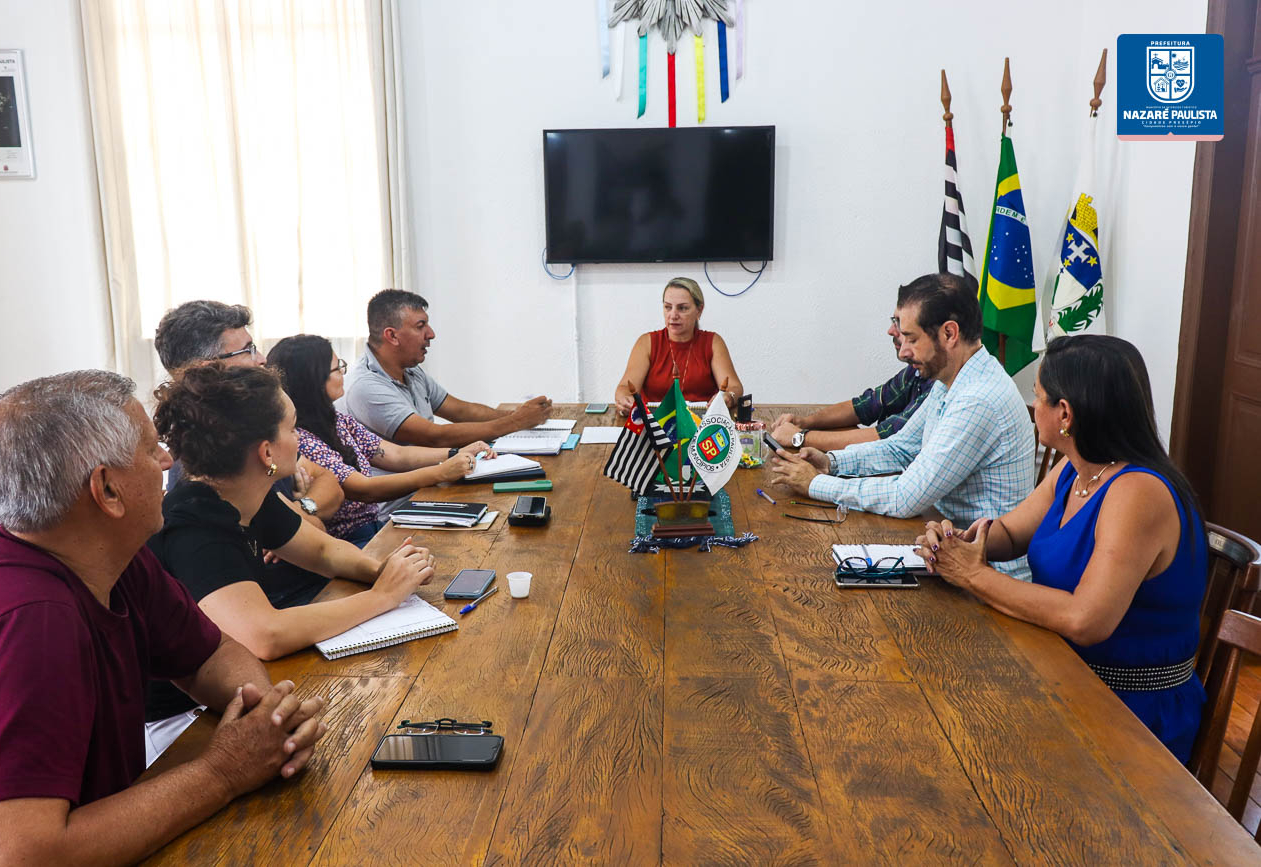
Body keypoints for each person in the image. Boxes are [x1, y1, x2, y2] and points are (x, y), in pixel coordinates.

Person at [0, 370, 327, 863]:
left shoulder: (114, 556)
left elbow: (210, 654)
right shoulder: (34, 619)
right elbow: (30, 853)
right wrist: (225, 771)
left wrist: (265, 719)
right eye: (152, 451)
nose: (168, 461)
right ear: (107, 491)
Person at [915, 335, 1207, 763]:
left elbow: (1085, 619)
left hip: (1129, 713)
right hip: (1062, 673)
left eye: (1037, 398)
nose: (1033, 408)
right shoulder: (1077, 471)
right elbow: (1012, 534)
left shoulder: (1138, 493)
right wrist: (957, 543)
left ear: (1065, 413)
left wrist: (974, 575)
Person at [145, 363, 436, 754]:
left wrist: (381, 570)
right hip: (180, 722)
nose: (299, 439)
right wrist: (381, 596)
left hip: (237, 691)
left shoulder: (244, 491)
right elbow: (264, 635)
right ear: (266, 452)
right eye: (292, 428)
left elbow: (321, 550)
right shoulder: (194, 524)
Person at [768, 272, 1034, 580]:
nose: (903, 351)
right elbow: (902, 448)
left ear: (949, 334)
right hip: (949, 549)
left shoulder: (978, 400)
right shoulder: (953, 380)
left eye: (911, 338)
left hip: (990, 578)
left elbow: (905, 497)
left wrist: (815, 484)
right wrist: (831, 462)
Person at [268, 335, 495, 546]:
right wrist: (441, 472)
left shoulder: (336, 419)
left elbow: (396, 454)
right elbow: (365, 489)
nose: (343, 374)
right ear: (314, 381)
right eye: (337, 369)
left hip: (374, 528)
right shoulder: (302, 439)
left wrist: (456, 453)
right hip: (349, 542)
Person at [154, 299, 343, 524]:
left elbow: (330, 485)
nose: (262, 359)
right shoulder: (203, 458)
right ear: (207, 370)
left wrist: (302, 507)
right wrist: (305, 516)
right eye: (249, 350)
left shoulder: (251, 422)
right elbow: (310, 535)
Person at [342, 289, 554, 448]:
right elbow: (434, 437)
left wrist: (521, 415)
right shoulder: (366, 386)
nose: (431, 333)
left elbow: (462, 411)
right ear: (392, 335)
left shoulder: (411, 370)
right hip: (399, 499)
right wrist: (516, 421)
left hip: (432, 478)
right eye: (420, 326)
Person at [770, 310, 933, 451]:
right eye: (893, 321)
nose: (890, 331)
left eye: (899, 323)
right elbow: (867, 405)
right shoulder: (916, 370)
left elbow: (887, 437)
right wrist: (804, 422)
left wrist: (800, 437)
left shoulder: (940, 385)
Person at [613, 277, 743, 412]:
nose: (673, 315)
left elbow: (734, 387)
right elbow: (624, 388)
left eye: (682, 308)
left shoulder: (713, 342)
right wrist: (625, 399)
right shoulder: (647, 343)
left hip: (701, 424)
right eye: (668, 307)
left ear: (699, 310)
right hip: (656, 424)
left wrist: (728, 397)